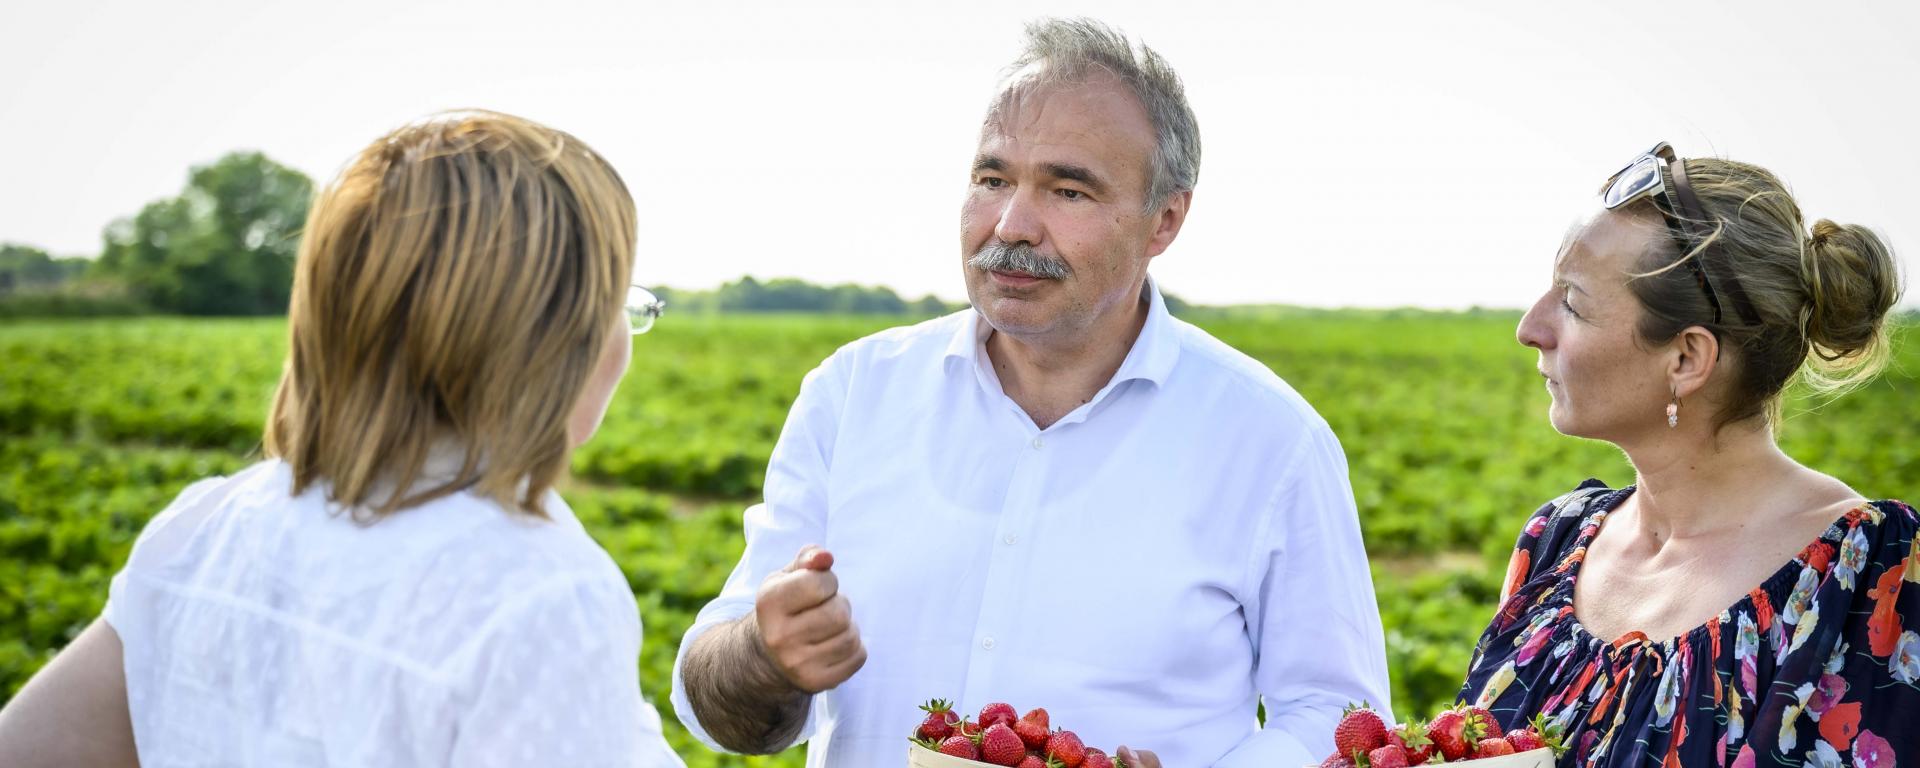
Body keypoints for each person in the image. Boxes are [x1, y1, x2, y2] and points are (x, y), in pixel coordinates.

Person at [672, 18, 1391, 768]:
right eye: (992, 179)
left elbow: (1338, 714)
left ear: (1164, 222)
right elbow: (720, 705)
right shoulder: (854, 395)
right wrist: (763, 654)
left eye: (1068, 189)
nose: (1012, 224)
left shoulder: (1270, 439)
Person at [0, 110, 684, 767]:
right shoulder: (541, 594)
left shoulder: (206, 526)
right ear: (554, 332)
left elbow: (30, 751)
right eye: (619, 298)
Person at [1459, 143, 1916, 766]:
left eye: (1572, 301)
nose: (1530, 327)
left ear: (1685, 359)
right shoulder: (1557, 538)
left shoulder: (1867, 580)